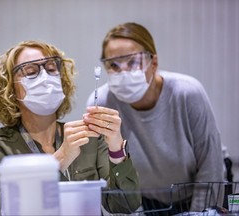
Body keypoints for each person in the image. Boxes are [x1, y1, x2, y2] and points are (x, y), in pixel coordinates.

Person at [0, 40, 141, 216]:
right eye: (31, 72)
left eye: (52, 69)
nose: (45, 78)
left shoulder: (88, 138)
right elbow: (5, 209)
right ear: (10, 89)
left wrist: (116, 148)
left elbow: (125, 205)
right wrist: (62, 157)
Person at [87, 22, 225, 215]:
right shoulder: (103, 102)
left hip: (198, 195)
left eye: (133, 61)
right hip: (144, 201)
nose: (123, 72)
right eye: (114, 65)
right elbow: (112, 177)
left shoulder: (187, 93)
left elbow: (211, 167)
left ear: (153, 62)